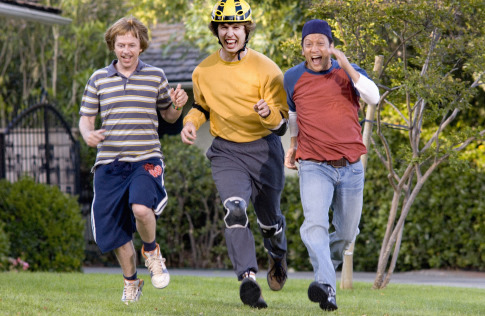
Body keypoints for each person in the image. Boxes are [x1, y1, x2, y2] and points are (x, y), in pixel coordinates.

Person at [180, 0, 289, 309]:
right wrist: (190, 122)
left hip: (264, 149)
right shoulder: (203, 71)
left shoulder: (267, 69)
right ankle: (248, 280)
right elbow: (202, 107)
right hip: (227, 151)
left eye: (236, 27)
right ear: (217, 31)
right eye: (224, 27)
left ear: (246, 31)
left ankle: (277, 256)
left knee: (270, 222)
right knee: (235, 210)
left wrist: (268, 113)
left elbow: (281, 124)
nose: (230, 33)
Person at [78, 16, 188, 304]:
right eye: (120, 44)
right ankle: (131, 282)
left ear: (141, 47)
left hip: (145, 158)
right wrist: (88, 134)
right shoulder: (98, 78)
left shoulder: (155, 76)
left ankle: (151, 252)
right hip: (109, 164)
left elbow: (169, 115)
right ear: (113, 46)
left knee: (141, 208)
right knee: (115, 232)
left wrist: (177, 105)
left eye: (131, 44)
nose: (126, 50)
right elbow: (86, 118)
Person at [284, 19, 380, 311]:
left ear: (330, 46)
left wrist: (346, 65)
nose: (315, 49)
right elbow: (293, 115)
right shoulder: (291, 78)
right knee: (314, 224)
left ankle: (327, 269)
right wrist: (292, 145)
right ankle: (326, 285)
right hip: (314, 164)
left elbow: (374, 97)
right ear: (302, 48)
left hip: (351, 167)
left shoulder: (349, 74)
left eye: (320, 43)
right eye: (308, 44)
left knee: (347, 233)